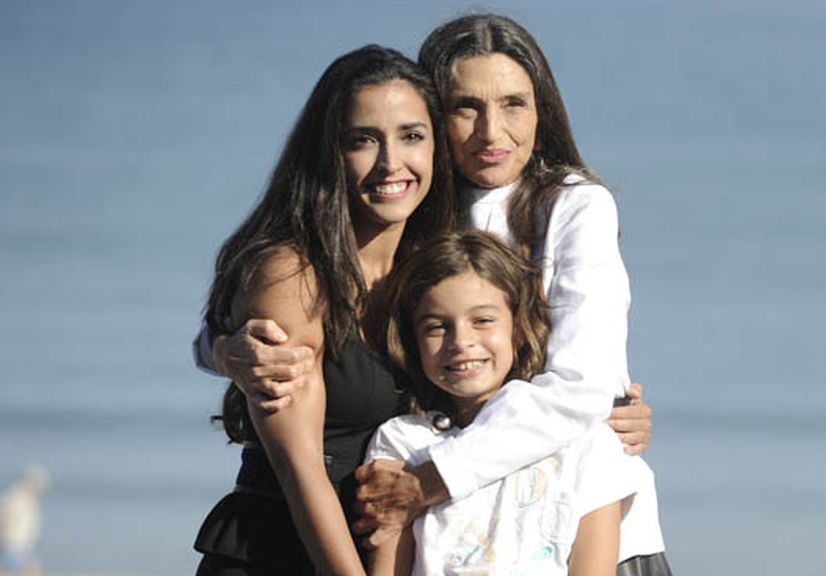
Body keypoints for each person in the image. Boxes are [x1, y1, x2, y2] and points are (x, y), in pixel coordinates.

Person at [197, 13, 671, 574]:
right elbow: (285, 359)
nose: (492, 132)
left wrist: (425, 484)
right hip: (365, 544)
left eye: (514, 103)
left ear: (543, 111)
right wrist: (223, 348)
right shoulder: (420, 231)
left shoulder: (567, 207)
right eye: (466, 107)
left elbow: (578, 389)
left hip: (544, 529)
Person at [191, 45, 455, 576]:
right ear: (328, 153)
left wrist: (603, 409)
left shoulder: (435, 269)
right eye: (363, 140)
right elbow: (299, 467)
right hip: (285, 555)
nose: (390, 163)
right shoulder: (291, 275)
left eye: (411, 136)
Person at [366, 230, 647, 575]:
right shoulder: (403, 442)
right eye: (437, 327)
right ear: (413, 339)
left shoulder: (588, 444)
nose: (461, 341)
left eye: (483, 320)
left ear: (518, 326)